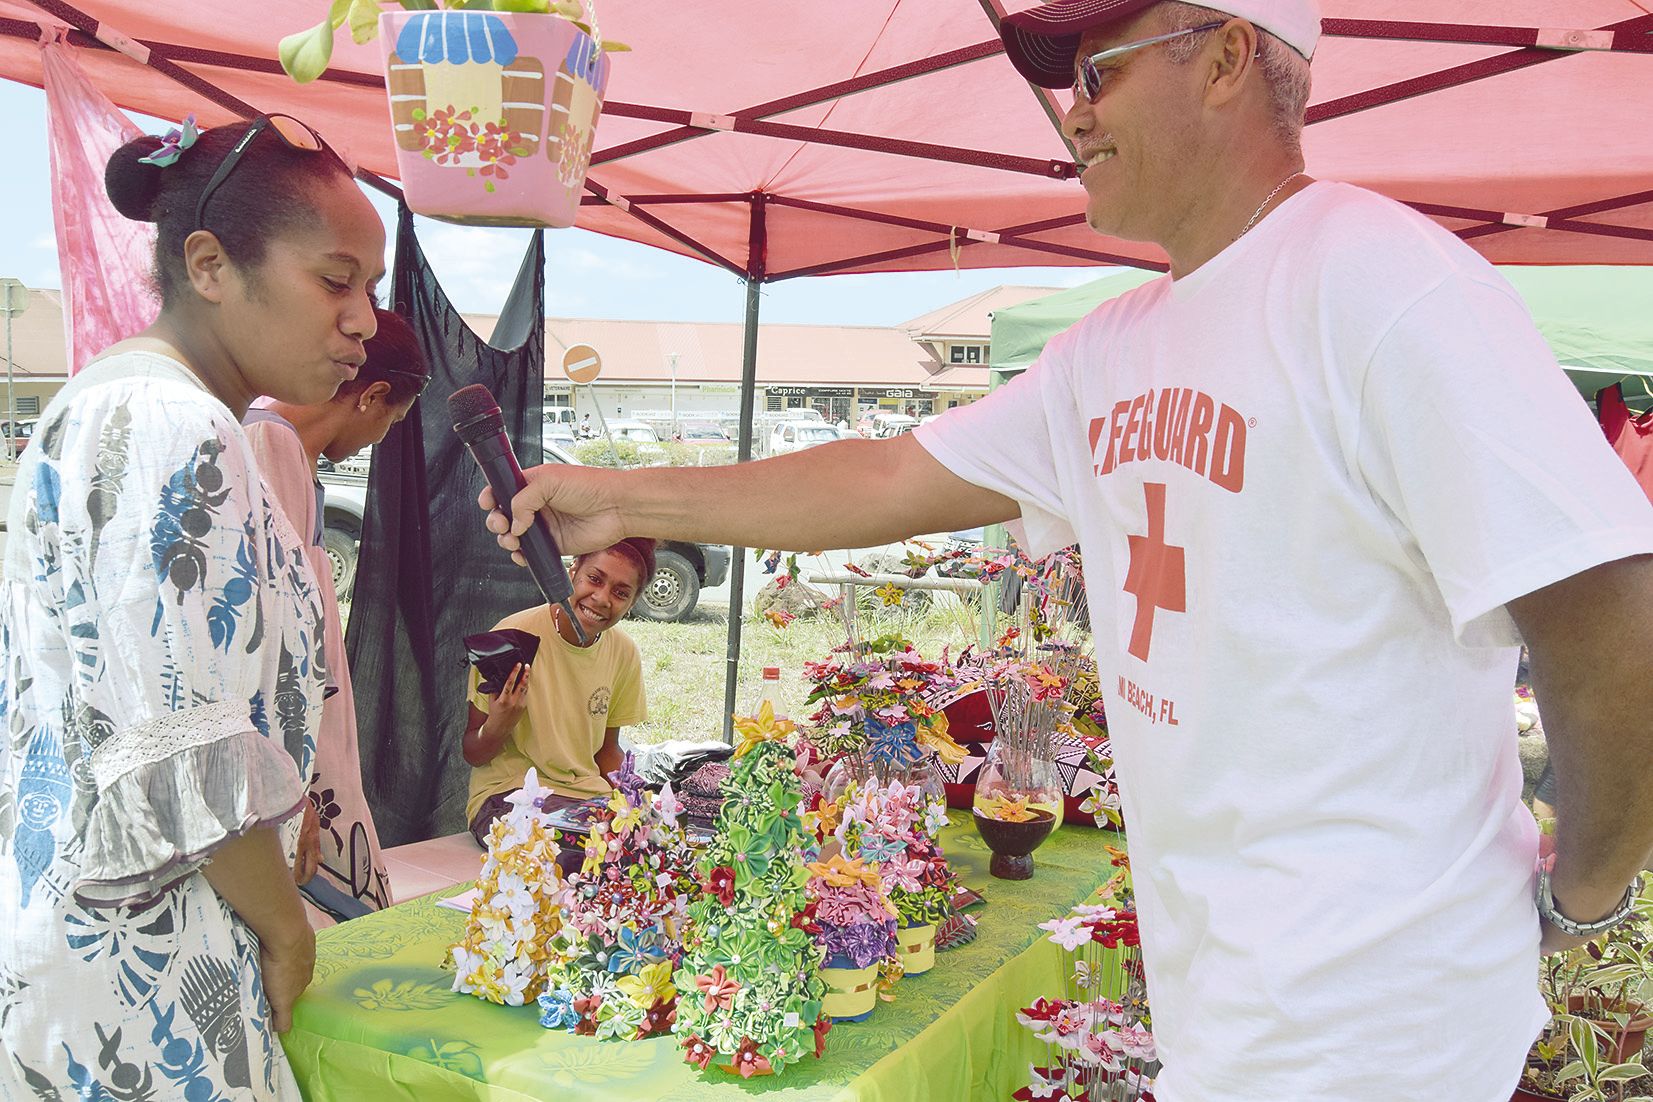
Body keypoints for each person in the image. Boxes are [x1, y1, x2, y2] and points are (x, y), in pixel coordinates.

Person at [480, 3, 1653, 1099]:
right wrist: (614, 496)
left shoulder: (1383, 282)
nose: (1072, 113)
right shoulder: (1114, 346)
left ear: (1230, 56)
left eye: (1100, 71)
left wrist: (1589, 890)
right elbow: (891, 474)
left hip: (1382, 1014)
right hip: (1231, 998)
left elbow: (1605, 592)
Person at [0, 115, 383, 1098]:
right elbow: (180, 741)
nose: (365, 321)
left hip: (88, 928)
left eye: (371, 290)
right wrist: (287, 927)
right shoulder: (175, 423)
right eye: (336, 280)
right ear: (210, 265)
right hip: (145, 958)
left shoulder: (113, 402)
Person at [243, 308, 429, 912]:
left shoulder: (283, 447)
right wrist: (289, 790)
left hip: (310, 735)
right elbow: (268, 635)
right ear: (372, 395)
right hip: (291, 745)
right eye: (392, 421)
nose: (381, 437)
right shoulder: (266, 442)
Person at [462, 538, 654, 845]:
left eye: (621, 593)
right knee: (568, 855)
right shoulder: (508, 641)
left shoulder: (624, 652)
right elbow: (473, 753)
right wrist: (499, 724)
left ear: (632, 604)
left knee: (642, 852)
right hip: (510, 796)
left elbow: (606, 752)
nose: (602, 598)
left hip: (586, 797)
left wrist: (638, 805)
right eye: (594, 578)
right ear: (571, 571)